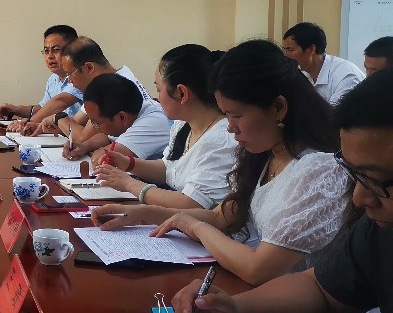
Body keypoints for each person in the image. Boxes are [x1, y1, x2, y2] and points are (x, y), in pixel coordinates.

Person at [169, 70, 393, 313]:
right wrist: (235, 310)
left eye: (374, 180)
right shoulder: (380, 230)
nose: (359, 198)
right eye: (355, 175)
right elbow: (323, 290)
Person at [94, 40, 352, 288]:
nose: (230, 127)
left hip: (296, 311)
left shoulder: (319, 170)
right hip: (260, 293)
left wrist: (195, 226)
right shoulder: (266, 153)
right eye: (226, 115)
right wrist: (142, 214)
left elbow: (257, 269)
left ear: (278, 107)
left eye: (236, 115)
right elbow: (220, 217)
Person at [95, 44, 237, 207]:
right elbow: (169, 169)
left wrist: (129, 184)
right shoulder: (183, 124)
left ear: (181, 93)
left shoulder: (222, 140)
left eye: (158, 89)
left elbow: (192, 203)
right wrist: (128, 163)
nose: (158, 98)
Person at [23, 36, 157, 138]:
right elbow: (75, 123)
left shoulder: (115, 88)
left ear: (88, 68)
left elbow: (82, 137)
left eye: (70, 74)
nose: (70, 81)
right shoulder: (108, 82)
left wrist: (58, 118)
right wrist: (45, 125)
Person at [0, 25, 83, 132]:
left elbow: (60, 102)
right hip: (61, 134)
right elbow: (45, 108)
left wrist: (28, 123)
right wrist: (16, 109)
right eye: (46, 51)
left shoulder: (81, 75)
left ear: (72, 50)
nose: (50, 56)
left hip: (79, 135)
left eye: (56, 50)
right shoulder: (53, 78)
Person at [78, 73, 171, 166]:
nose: (96, 127)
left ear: (121, 117)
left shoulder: (152, 123)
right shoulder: (134, 110)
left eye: (98, 123)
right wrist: (85, 146)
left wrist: (97, 152)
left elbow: (99, 160)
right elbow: (108, 137)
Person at [282, 22, 363, 105]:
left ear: (311, 49)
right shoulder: (301, 72)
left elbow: (334, 112)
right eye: (285, 50)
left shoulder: (347, 76)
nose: (286, 56)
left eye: (290, 50)